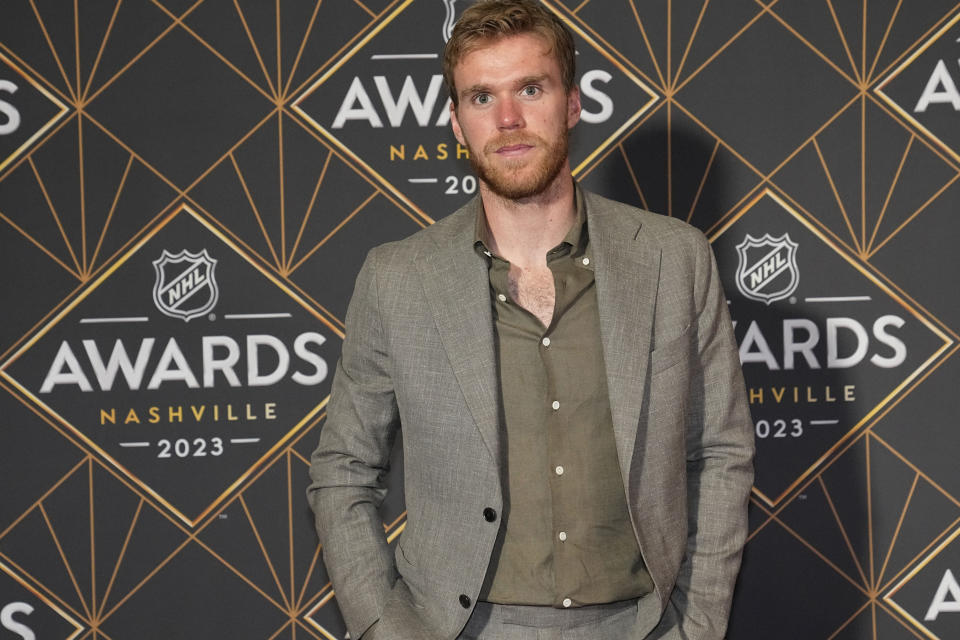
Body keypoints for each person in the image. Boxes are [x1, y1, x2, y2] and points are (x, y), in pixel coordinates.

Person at [307, 1, 754, 638]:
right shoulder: (397, 277)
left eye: (530, 88)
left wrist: (697, 625)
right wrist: (384, 625)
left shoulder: (674, 259)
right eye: (481, 97)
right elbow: (342, 471)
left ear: (572, 103)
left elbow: (719, 452)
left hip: (640, 624)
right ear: (458, 124)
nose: (508, 120)